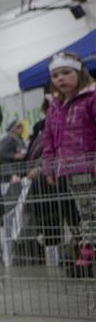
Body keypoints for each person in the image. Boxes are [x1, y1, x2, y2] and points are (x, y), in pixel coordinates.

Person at [41, 51, 96, 275]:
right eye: (55, 75)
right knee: (85, 211)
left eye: (66, 73)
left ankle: (87, 249)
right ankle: (87, 248)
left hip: (89, 165)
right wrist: (49, 166)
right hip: (69, 169)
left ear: (79, 72)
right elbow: (48, 140)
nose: (60, 79)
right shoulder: (54, 107)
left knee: (91, 210)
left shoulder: (91, 98)